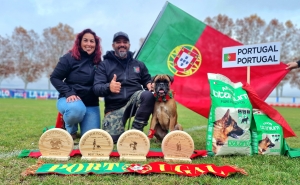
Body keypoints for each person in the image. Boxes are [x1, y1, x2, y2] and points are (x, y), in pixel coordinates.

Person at [93, 31, 155, 143]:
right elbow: (96, 88)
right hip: (114, 107)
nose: (122, 44)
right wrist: (109, 87)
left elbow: (146, 79)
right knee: (112, 140)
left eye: (125, 42)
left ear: (129, 45)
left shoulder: (138, 64)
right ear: (113, 46)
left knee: (148, 95)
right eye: (118, 42)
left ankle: (136, 132)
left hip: (134, 102)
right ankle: (118, 130)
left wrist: (149, 84)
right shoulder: (104, 65)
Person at [50, 28, 102, 139]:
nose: (89, 44)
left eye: (92, 41)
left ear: (96, 44)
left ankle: (80, 122)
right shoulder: (68, 58)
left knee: (91, 137)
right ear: (79, 42)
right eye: (85, 40)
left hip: (91, 104)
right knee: (76, 109)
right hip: (70, 100)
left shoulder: (98, 62)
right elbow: (55, 78)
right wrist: (69, 92)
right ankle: (70, 128)